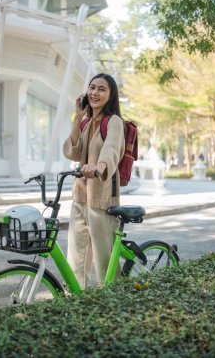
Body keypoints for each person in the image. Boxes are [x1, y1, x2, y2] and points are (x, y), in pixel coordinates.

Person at [63, 73, 125, 289]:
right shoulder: (86, 122)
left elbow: (111, 151)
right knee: (76, 258)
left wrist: (98, 167)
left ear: (110, 95)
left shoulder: (114, 122)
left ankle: (112, 303)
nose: (94, 93)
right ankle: (76, 302)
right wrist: (78, 117)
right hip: (79, 197)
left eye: (101, 89)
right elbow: (72, 152)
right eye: (92, 87)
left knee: (104, 261)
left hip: (102, 198)